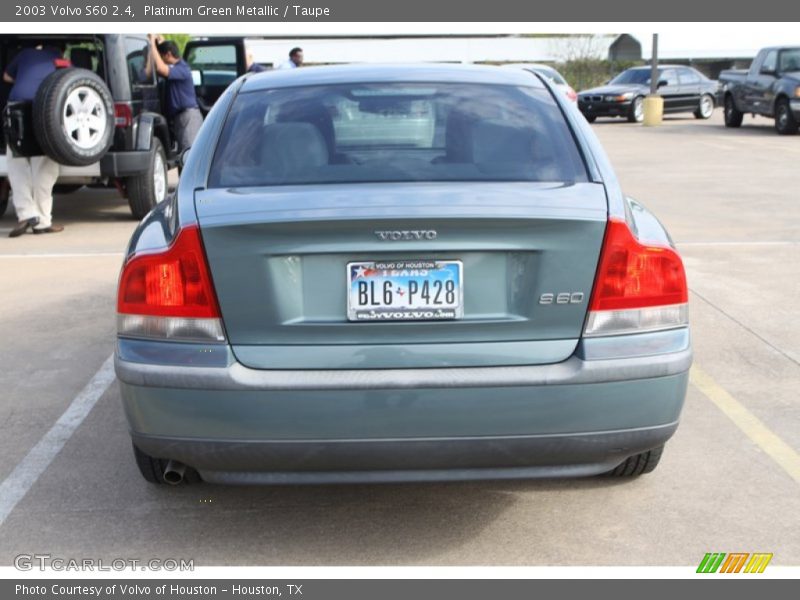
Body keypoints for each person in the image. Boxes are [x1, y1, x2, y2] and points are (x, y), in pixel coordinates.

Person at [3, 44, 65, 236]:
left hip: (15, 109)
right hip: (42, 110)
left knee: (17, 163)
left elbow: (6, 77)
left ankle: (25, 215)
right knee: (45, 166)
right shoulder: (60, 60)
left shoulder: (24, 54)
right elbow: (70, 80)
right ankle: (42, 221)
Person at [144, 35, 203, 153]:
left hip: (189, 117)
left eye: (161, 57)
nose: (159, 59)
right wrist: (158, 44)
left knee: (189, 154)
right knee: (183, 154)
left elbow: (161, 68)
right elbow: (149, 73)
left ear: (168, 55)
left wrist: (152, 44)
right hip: (180, 118)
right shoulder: (175, 68)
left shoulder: (182, 68)